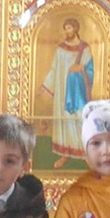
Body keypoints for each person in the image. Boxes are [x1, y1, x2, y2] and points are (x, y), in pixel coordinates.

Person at [41, 18, 94, 167]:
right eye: (65, 28)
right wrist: (46, 86)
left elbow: (90, 70)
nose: (67, 31)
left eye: (69, 28)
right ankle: (65, 154)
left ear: (76, 29)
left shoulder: (85, 48)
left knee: (79, 118)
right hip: (62, 91)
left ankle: (84, 153)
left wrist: (81, 69)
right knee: (64, 120)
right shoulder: (60, 49)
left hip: (78, 91)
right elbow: (54, 69)